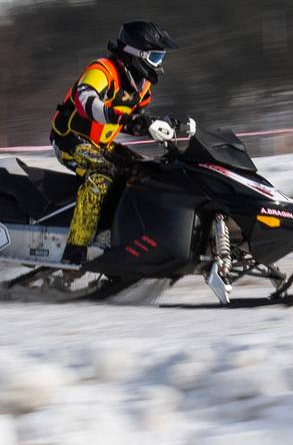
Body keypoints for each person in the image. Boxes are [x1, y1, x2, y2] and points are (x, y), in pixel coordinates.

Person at [49, 20, 193, 264]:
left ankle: (126, 236)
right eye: (155, 58)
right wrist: (128, 119)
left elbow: (130, 122)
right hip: (70, 140)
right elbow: (87, 103)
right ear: (136, 54)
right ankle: (75, 249)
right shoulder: (102, 70)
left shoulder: (142, 87)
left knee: (145, 171)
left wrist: (158, 125)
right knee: (102, 174)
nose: (159, 66)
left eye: (161, 58)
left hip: (101, 145)